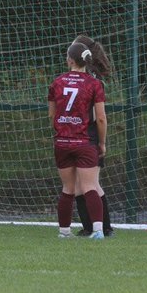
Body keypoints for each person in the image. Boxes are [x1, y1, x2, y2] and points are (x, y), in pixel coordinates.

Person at [47, 39, 108, 239]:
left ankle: (64, 231)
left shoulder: (57, 82)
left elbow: (52, 115)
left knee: (68, 189)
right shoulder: (94, 84)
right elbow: (100, 117)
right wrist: (101, 142)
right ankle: (98, 230)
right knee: (90, 186)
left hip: (62, 141)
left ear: (70, 60)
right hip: (84, 142)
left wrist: (60, 132)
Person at [69, 35, 114, 237]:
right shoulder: (79, 79)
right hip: (78, 134)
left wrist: (101, 142)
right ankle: (89, 227)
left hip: (89, 135)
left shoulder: (93, 82)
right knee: (79, 184)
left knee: (91, 183)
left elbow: (99, 116)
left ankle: (105, 227)